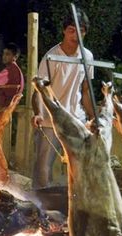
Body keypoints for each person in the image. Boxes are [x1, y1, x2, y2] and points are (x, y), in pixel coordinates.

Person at [31, 8, 94, 190]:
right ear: (64, 31)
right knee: (43, 167)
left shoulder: (87, 57)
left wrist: (93, 118)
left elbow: (86, 90)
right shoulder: (51, 57)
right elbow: (38, 90)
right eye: (71, 30)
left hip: (76, 118)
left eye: (81, 31)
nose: (76, 35)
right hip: (50, 119)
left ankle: (76, 203)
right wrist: (37, 113)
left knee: (81, 163)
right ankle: (40, 206)